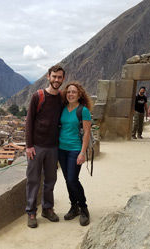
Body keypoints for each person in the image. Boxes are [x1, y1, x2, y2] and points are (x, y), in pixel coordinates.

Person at [25, 65, 65, 228]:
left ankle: (47, 208)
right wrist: (29, 145)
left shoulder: (62, 98)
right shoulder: (38, 96)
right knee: (33, 179)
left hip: (53, 146)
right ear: (48, 77)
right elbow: (29, 121)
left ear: (63, 79)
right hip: (37, 146)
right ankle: (31, 212)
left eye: (59, 77)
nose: (56, 80)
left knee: (51, 180)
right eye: (54, 76)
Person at [58, 81, 92, 226]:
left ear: (79, 95)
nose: (70, 94)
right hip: (61, 148)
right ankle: (74, 206)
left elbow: (86, 133)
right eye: (68, 92)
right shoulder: (62, 108)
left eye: (74, 92)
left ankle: (83, 207)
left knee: (72, 179)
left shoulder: (83, 110)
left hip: (75, 149)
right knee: (68, 180)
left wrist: (82, 152)